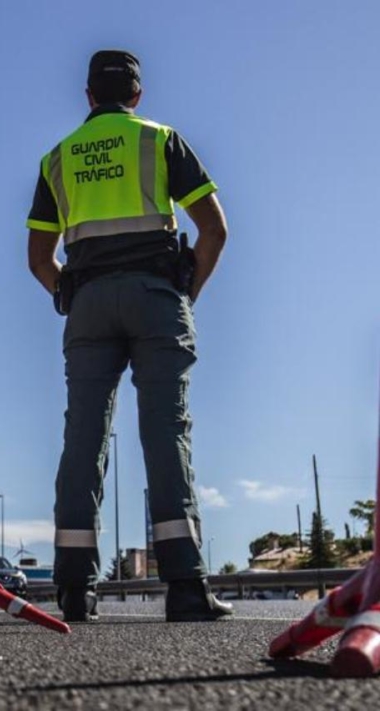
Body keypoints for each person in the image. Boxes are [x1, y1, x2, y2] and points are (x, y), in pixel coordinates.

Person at [25, 50, 232, 622]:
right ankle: (186, 587)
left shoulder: (58, 157)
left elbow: (38, 256)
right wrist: (187, 293)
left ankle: (73, 588)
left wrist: (65, 292)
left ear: (88, 96)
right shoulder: (159, 138)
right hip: (155, 297)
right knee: (166, 432)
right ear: (137, 95)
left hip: (88, 303)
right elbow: (213, 228)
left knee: (82, 439)